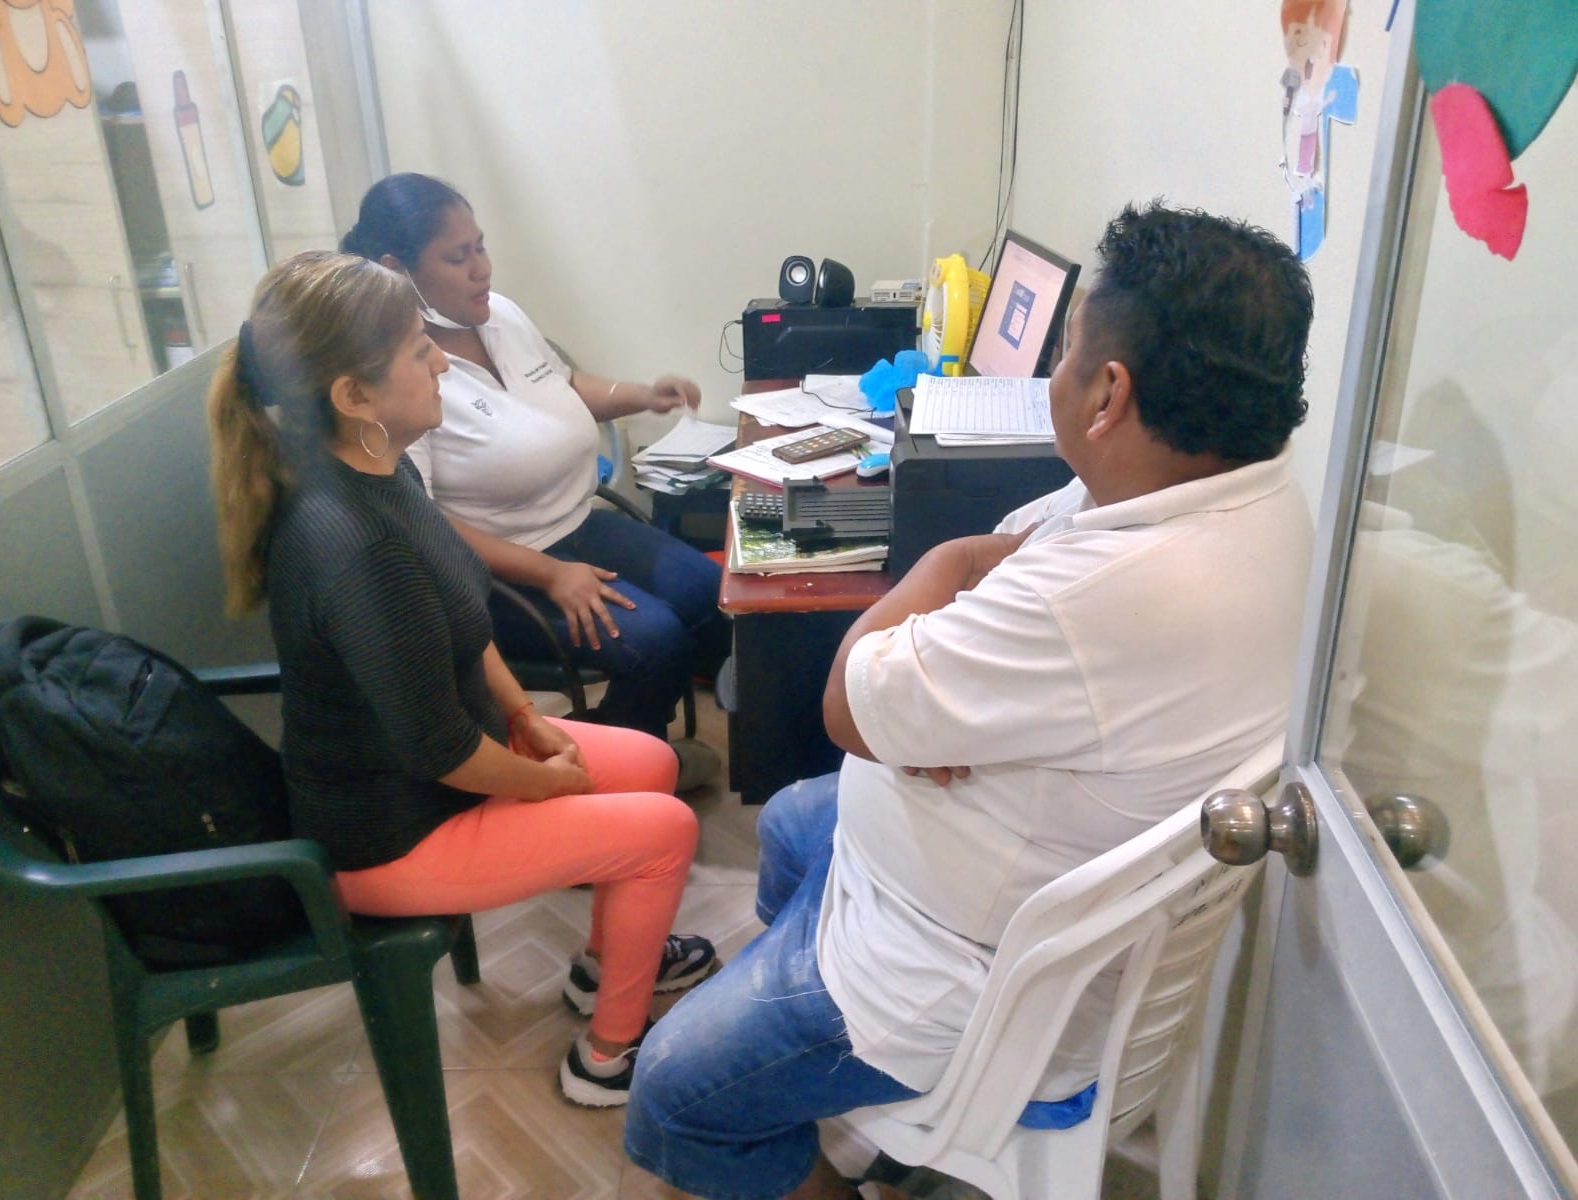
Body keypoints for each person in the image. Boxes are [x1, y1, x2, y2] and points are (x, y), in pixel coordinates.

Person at [623, 202, 1318, 1199]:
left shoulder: (1101, 595)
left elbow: (846, 706)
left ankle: (805, 1099)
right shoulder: (1249, 496)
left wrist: (946, 562)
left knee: (673, 1094)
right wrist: (945, 681)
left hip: (965, 971)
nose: (1053, 376)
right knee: (789, 822)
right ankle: (801, 1063)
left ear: (1108, 394)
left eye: (1066, 355)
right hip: (986, 877)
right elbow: (1021, 562)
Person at [207, 250, 716, 1107]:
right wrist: (548, 782)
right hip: (393, 835)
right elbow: (438, 749)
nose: (442, 361)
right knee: (664, 832)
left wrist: (525, 715)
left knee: (651, 762)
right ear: (354, 396)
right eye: (418, 349)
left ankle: (604, 964)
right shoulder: (354, 547)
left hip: (448, 765)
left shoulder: (386, 469)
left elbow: (465, 616)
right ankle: (605, 1060)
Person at [339, 173, 729, 778]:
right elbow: (421, 519)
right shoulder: (401, 372)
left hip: (577, 521)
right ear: (396, 269)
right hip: (498, 568)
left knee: (711, 595)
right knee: (656, 642)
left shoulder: (500, 315)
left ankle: (635, 746)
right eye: (457, 257)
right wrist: (550, 574)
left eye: (480, 247)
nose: (481, 269)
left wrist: (642, 395)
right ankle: (607, 775)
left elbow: (562, 385)